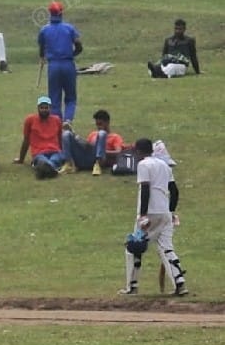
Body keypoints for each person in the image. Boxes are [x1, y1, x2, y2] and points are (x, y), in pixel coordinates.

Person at [119, 138, 188, 296]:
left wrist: (143, 214)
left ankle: (132, 286)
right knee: (166, 248)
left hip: (150, 212)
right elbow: (175, 191)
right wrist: (170, 211)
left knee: (134, 247)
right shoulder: (164, 165)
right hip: (164, 213)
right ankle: (180, 283)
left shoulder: (144, 165)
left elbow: (145, 188)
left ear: (139, 151)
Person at [38, 1, 82, 123]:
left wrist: (42, 57)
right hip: (68, 64)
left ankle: (57, 122)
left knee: (54, 96)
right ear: (61, 13)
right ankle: (68, 120)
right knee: (71, 97)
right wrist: (71, 55)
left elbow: (42, 48)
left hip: (53, 66)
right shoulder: (69, 28)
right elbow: (79, 47)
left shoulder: (44, 30)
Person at [60, 109, 126, 176]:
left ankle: (98, 164)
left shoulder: (115, 137)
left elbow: (119, 152)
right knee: (66, 134)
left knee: (102, 133)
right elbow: (86, 148)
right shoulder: (93, 134)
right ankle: (68, 163)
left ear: (107, 122)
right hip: (86, 157)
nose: (98, 127)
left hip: (98, 160)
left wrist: (103, 151)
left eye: (100, 124)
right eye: (97, 124)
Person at [14, 96, 65, 179]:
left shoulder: (57, 120)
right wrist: (21, 159)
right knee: (42, 160)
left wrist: (64, 154)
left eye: (46, 108)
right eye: (42, 108)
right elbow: (26, 140)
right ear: (38, 108)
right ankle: (50, 170)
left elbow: (60, 139)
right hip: (39, 152)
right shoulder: (30, 120)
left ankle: (44, 170)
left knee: (55, 159)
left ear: (50, 108)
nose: (44, 110)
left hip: (55, 151)